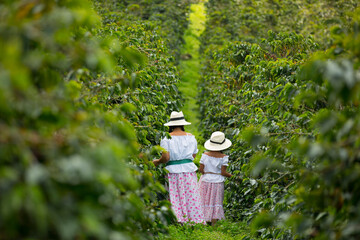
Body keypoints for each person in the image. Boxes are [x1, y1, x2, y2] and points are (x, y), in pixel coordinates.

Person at [153, 111, 205, 224]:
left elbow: (166, 157)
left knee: (175, 196)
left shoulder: (166, 138)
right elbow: (193, 155)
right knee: (190, 195)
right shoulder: (191, 137)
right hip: (188, 170)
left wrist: (157, 162)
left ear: (171, 124)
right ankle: (194, 220)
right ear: (183, 124)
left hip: (173, 171)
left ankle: (178, 219)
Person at [198, 131, 233, 226]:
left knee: (204, 199)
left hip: (205, 180)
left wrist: (206, 173)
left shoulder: (205, 155)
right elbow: (223, 172)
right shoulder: (224, 157)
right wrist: (232, 176)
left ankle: (204, 220)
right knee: (215, 201)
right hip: (217, 181)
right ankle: (214, 222)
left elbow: (201, 169)